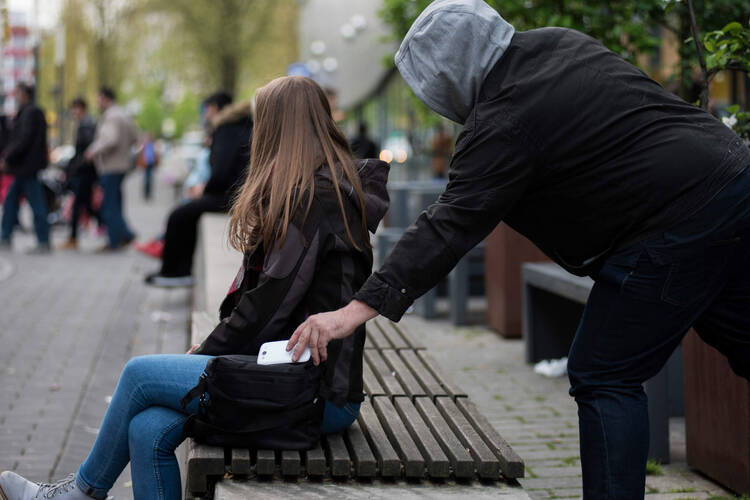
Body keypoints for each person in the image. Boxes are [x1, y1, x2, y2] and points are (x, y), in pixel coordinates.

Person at [287, 1, 750, 498]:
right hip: (735, 180)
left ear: (449, 75)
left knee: (603, 372)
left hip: (675, 222)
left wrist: (352, 312)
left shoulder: (502, 120)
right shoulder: (558, 43)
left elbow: (448, 227)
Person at [0, 75, 389, 500]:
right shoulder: (313, 188)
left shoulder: (316, 197)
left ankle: (79, 493)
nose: (255, 135)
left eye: (261, 125)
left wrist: (207, 352)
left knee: (138, 375)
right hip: (289, 372)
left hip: (312, 390)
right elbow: (269, 303)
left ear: (280, 128)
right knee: (147, 429)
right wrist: (212, 349)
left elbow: (267, 306)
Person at [144, 91, 252, 287]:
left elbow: (222, 171)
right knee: (186, 213)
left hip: (231, 195)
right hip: (239, 192)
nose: (204, 114)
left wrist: (204, 190)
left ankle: (174, 272)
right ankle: (179, 270)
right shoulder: (242, 125)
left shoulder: (225, 128)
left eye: (206, 109)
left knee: (178, 215)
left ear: (215, 108)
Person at [84, 87, 138, 252]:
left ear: (106, 99)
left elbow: (110, 139)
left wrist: (93, 150)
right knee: (116, 203)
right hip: (121, 165)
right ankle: (124, 235)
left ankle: (115, 240)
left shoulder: (111, 116)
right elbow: (135, 137)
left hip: (110, 166)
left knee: (109, 205)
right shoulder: (124, 115)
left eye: (99, 99)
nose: (97, 103)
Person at [0, 83, 50, 253]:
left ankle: (43, 241)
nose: (16, 96)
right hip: (24, 167)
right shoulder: (30, 112)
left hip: (26, 167)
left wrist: (8, 158)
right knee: (11, 202)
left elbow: (23, 140)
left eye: (19, 93)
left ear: (25, 94)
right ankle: (5, 236)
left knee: (35, 204)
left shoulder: (31, 112)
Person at [59, 97, 99, 250]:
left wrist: (75, 167)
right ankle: (73, 236)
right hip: (84, 172)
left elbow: (86, 151)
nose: (73, 112)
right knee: (84, 205)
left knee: (80, 205)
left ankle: (73, 237)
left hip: (84, 173)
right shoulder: (85, 124)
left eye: (75, 108)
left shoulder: (86, 125)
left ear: (82, 109)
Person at [137, 133, 159, 201]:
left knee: (149, 179)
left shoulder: (152, 145)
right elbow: (140, 155)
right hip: (146, 164)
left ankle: (148, 194)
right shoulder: (144, 146)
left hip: (151, 164)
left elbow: (155, 154)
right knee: (147, 179)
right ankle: (146, 194)